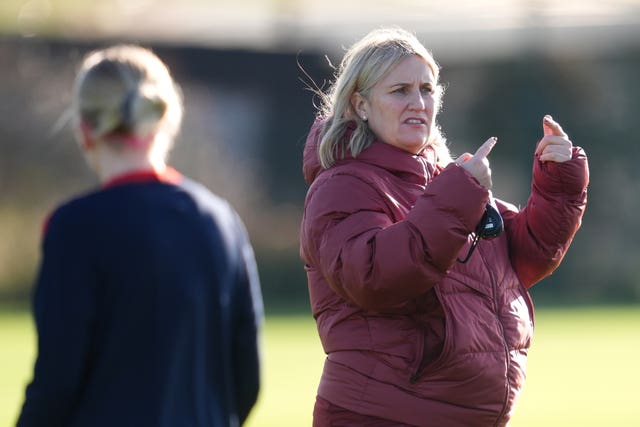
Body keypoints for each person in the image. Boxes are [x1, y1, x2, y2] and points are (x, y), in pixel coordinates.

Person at [300, 28, 588, 426]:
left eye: (427, 89)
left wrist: (559, 183)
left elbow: (523, 257)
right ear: (360, 105)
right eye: (400, 90)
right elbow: (374, 275)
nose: (418, 102)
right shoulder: (343, 185)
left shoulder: (443, 182)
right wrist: (456, 197)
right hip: (382, 415)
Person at [17, 45, 263, 427]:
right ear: (166, 120)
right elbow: (247, 379)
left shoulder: (74, 228)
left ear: (84, 129)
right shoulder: (221, 222)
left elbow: (57, 384)